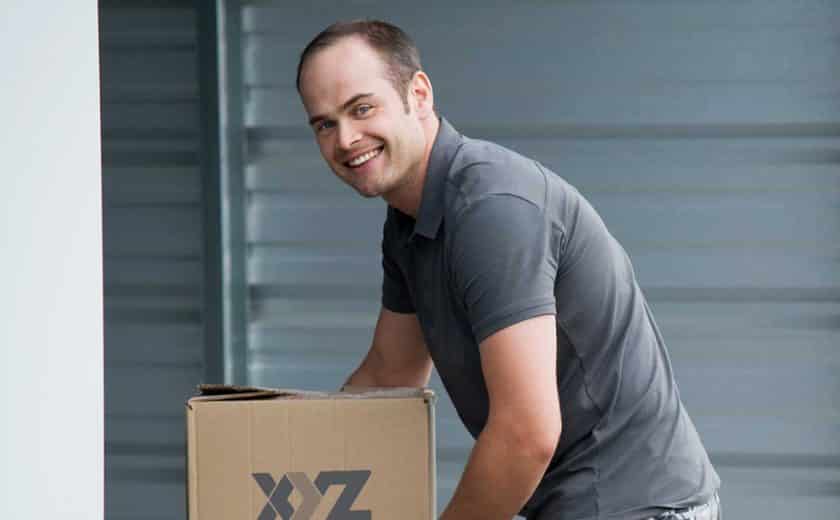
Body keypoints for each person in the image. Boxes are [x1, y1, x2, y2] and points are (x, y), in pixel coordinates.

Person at [295, 19, 721, 520]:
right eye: (324, 124)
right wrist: (271, 453)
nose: (346, 138)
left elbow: (526, 434)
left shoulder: (490, 209)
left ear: (419, 94)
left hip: (636, 506)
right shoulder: (409, 221)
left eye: (362, 108)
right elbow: (391, 372)